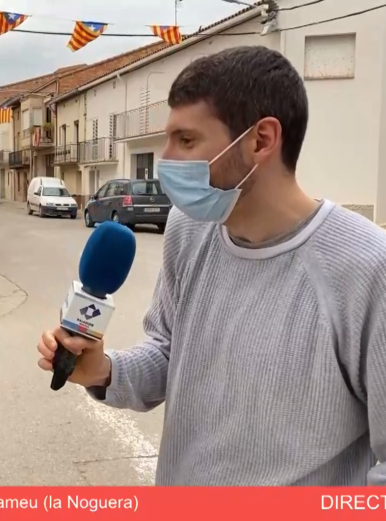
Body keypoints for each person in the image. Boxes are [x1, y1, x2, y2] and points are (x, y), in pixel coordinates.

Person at [37, 46, 386, 486]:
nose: (166, 161)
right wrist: (107, 371)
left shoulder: (369, 267)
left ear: (261, 140)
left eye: (186, 141)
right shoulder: (188, 229)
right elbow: (167, 351)